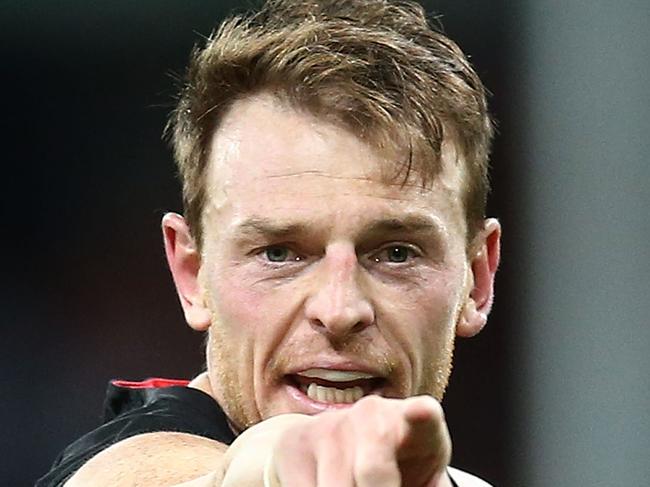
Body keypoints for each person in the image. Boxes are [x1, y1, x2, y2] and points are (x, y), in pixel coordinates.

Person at [37, 0, 500, 485]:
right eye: (278, 253)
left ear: (478, 279)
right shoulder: (132, 459)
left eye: (396, 253)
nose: (339, 310)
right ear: (191, 275)